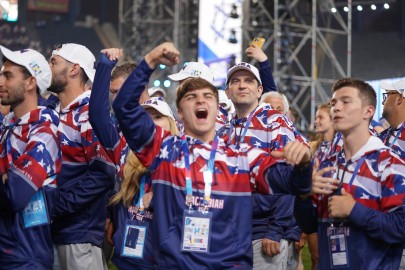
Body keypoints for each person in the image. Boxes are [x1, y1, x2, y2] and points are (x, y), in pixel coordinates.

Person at [112, 42, 312, 269]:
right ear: (179, 111)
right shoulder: (165, 150)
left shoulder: (242, 157)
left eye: (207, 96)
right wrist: (149, 61)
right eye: (191, 97)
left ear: (218, 110)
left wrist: (303, 167)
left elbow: (292, 184)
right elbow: (123, 107)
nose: (200, 100)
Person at [296, 78, 405, 269]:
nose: (336, 108)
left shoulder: (390, 163)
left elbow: (400, 227)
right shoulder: (327, 165)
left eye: (346, 101)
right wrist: (304, 195)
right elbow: (310, 226)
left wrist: (354, 210)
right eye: (333, 103)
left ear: (368, 111)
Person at [219, 62, 308, 270]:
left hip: (263, 231)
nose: (242, 86)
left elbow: (289, 179)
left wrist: (275, 230)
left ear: (259, 90)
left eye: (249, 81)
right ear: (228, 92)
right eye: (236, 81)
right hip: (229, 231)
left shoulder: (275, 122)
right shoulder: (222, 132)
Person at [48, 43, 116, 270]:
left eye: (53, 62)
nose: (47, 68)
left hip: (79, 234)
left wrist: (56, 205)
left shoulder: (89, 115)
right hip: (47, 231)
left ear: (74, 69)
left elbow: (103, 175)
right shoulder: (52, 113)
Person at [0, 46, 61, 269]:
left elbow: (14, 195)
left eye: (8, 75)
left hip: (26, 257)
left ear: (30, 83)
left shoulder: (45, 132)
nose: (0, 82)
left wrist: (9, 179)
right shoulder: (8, 126)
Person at [110, 97, 179, 269]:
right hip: (128, 259)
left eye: (157, 117)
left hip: (162, 260)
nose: (152, 123)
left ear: (170, 123)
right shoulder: (127, 159)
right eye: (146, 118)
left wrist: (159, 195)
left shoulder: (182, 159)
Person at [378, 80, 405, 269]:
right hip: (381, 230)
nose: (383, 101)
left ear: (400, 99)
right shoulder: (383, 136)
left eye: (387, 95)